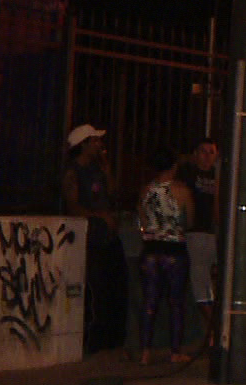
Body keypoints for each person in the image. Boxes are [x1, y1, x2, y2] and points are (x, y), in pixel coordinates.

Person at [62, 124, 127, 353]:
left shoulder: (97, 168)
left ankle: (112, 337)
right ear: (84, 145)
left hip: (107, 236)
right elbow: (73, 206)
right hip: (91, 237)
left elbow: (113, 193)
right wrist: (99, 217)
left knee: (113, 287)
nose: (100, 145)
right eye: (95, 141)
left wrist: (107, 171)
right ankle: (93, 338)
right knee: (95, 288)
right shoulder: (73, 172)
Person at [136, 147, 195, 365]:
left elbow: (141, 220)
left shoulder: (145, 190)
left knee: (149, 301)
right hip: (174, 249)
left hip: (151, 249)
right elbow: (190, 221)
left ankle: (145, 351)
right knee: (176, 302)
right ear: (174, 166)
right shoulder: (182, 191)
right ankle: (175, 351)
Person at [182, 138, 221, 351]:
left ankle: (216, 329)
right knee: (200, 283)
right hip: (196, 233)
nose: (207, 157)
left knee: (211, 282)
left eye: (211, 152)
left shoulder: (218, 176)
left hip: (212, 233)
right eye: (203, 152)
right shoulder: (188, 175)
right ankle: (215, 328)